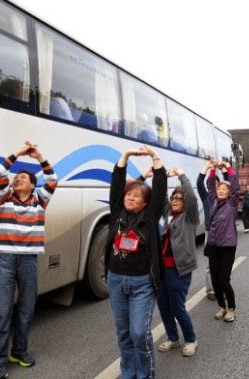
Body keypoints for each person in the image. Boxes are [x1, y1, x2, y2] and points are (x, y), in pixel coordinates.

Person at [0, 141, 58, 379]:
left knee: (26, 310)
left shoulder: (40, 200)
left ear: (32, 184)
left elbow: (53, 179)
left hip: (29, 260)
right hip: (6, 260)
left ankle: (19, 351)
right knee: (2, 311)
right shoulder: (4, 197)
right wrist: (18, 153)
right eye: (15, 177)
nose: (16, 179)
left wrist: (39, 155)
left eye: (22, 177)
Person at [106, 146, 167, 379]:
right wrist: (125, 156)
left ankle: (145, 374)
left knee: (139, 333)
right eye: (128, 195)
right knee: (123, 334)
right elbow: (117, 183)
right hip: (115, 280)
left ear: (145, 203)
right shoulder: (117, 213)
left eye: (136, 196)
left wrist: (154, 157)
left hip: (142, 283)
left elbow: (160, 186)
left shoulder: (150, 218)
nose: (130, 198)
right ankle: (128, 373)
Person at [154, 167, 198, 357]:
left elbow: (192, 198)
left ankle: (190, 339)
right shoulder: (167, 214)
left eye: (179, 199)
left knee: (177, 307)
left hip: (179, 270)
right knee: (163, 306)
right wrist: (161, 175)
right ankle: (173, 339)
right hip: (161, 269)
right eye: (173, 198)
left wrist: (182, 176)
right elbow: (161, 196)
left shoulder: (189, 217)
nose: (174, 201)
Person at [203, 159, 240, 322]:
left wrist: (228, 168)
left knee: (224, 280)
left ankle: (231, 308)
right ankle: (222, 307)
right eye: (220, 188)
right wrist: (212, 170)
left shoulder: (232, 204)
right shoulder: (214, 201)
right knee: (215, 280)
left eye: (225, 189)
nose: (221, 190)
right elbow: (210, 186)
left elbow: (236, 186)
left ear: (230, 193)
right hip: (213, 247)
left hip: (227, 247)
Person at [196, 167, 215, 301]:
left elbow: (230, 182)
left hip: (224, 235)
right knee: (210, 264)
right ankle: (210, 289)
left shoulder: (227, 200)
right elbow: (199, 184)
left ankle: (220, 286)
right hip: (210, 232)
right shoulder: (206, 198)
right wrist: (208, 169)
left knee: (222, 264)